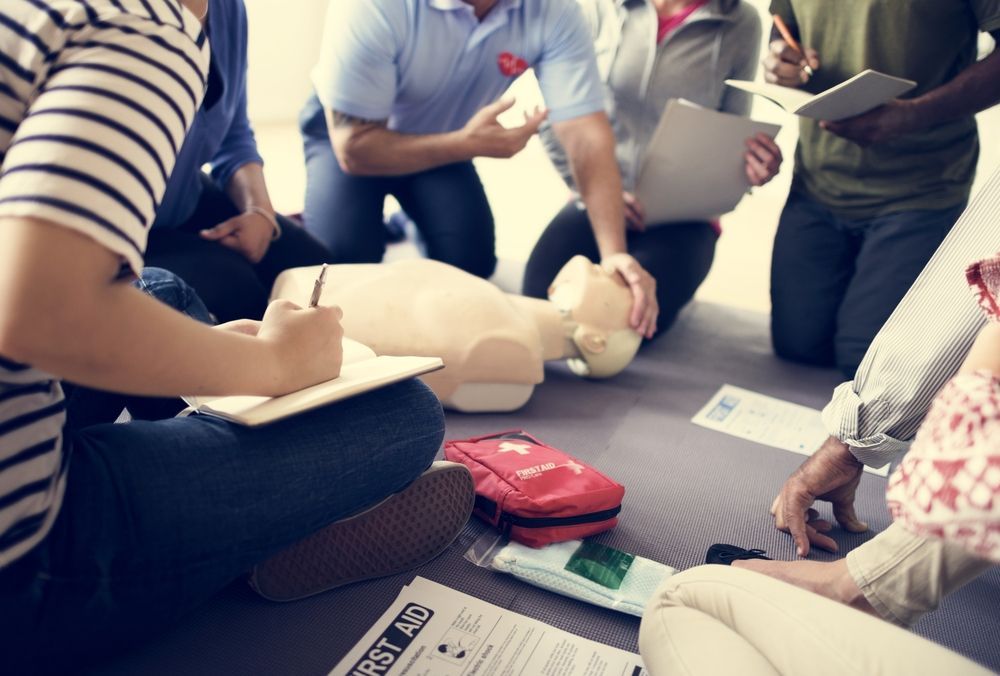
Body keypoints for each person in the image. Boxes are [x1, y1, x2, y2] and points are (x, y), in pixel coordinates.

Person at [0, 1, 470, 672]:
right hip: (26, 559)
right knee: (405, 415)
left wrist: (258, 218)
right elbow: (45, 310)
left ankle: (237, 463)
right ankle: (260, 512)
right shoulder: (142, 30)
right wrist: (271, 366)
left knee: (158, 288)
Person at [300, 0, 659, 339]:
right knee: (345, 266)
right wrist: (466, 145)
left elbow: (585, 134)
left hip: (443, 139)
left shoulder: (554, 10)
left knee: (471, 264)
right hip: (353, 140)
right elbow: (354, 149)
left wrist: (614, 254)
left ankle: (406, 219)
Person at [745, 165, 1000, 627]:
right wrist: (851, 442)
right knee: (799, 339)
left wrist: (867, 583)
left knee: (675, 611)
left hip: (918, 190)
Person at [766, 0, 1000, 378]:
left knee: (865, 366)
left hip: (920, 191)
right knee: (797, 348)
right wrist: (780, 58)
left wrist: (914, 114)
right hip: (817, 180)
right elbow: (784, 23)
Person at [523, 0, 783, 337]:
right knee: (537, 303)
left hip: (683, 215)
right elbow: (555, 118)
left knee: (623, 325)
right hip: (600, 198)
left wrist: (752, 166)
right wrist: (591, 189)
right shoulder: (598, 8)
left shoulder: (740, 21)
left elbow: (732, 129)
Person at [143, 0, 333, 324]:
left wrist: (259, 211)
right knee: (241, 292)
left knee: (316, 267)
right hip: (119, 229)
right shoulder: (121, 25)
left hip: (183, 195)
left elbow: (232, 130)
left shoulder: (227, 8)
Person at [272, 255, 643, 412]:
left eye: (616, 293)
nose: (607, 269)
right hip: (295, 314)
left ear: (596, 340)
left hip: (294, 336)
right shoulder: (500, 313)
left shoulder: (510, 346)